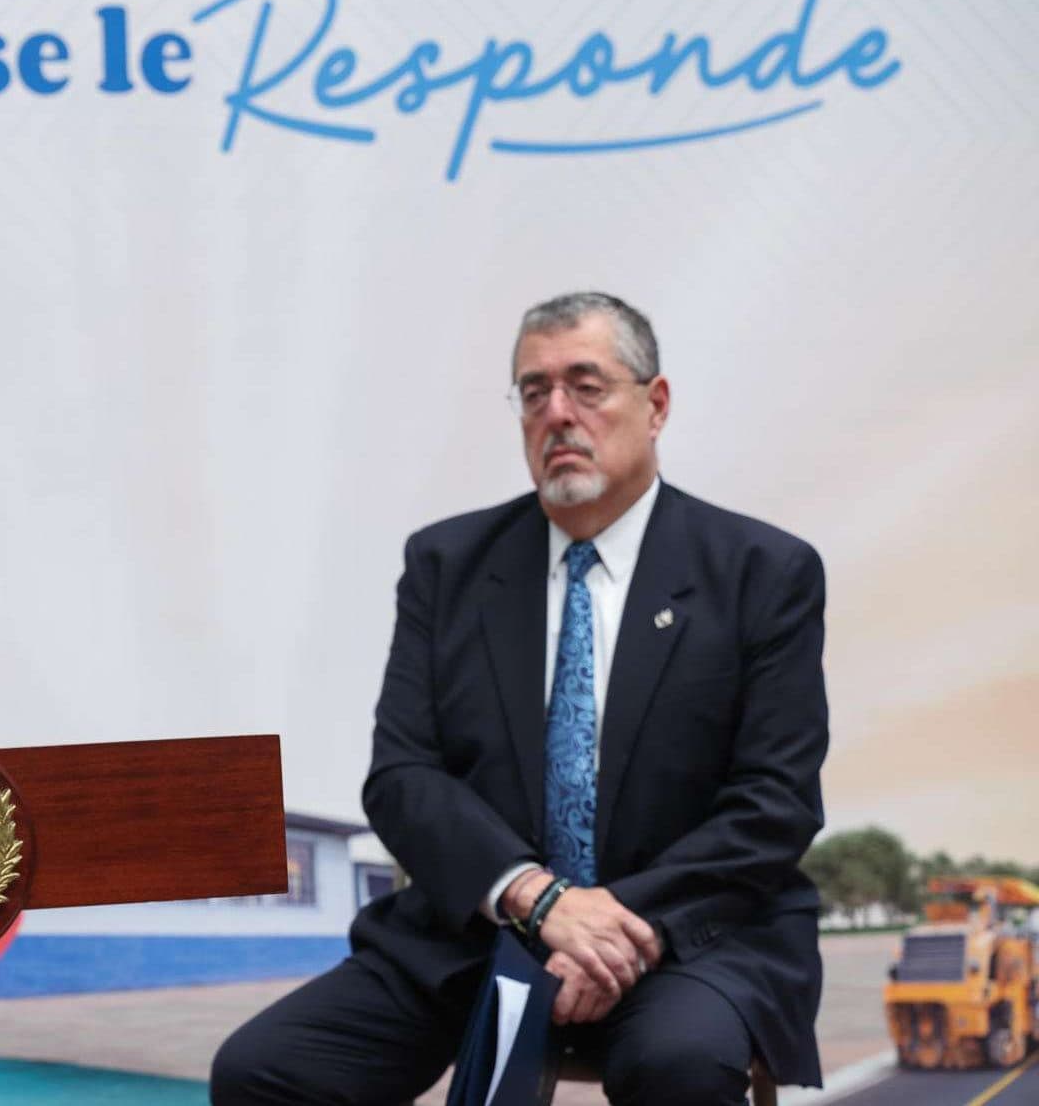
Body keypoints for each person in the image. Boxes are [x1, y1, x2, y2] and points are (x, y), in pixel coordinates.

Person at [212, 292, 828, 1104]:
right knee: (263, 1071)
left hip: (689, 936)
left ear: (657, 404)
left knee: (678, 1065)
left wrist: (609, 927)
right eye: (534, 393)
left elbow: (773, 804)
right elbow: (403, 777)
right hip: (481, 929)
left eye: (586, 385)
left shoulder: (761, 571)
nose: (557, 414)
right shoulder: (448, 565)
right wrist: (537, 902)